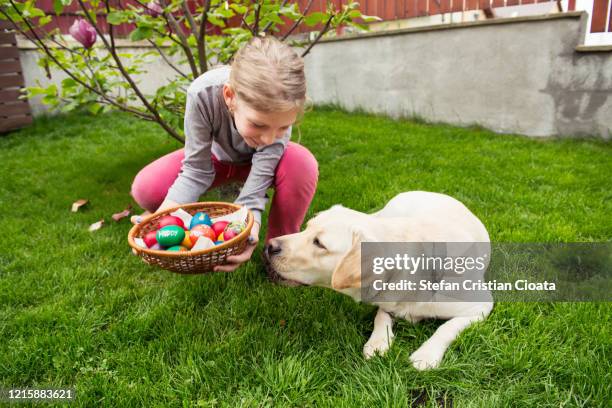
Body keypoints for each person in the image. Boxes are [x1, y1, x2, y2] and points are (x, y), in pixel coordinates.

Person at [130, 36, 318, 277]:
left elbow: (256, 185)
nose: (271, 138)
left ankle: (280, 251)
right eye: (258, 124)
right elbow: (197, 170)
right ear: (230, 97)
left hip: (260, 166)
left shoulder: (280, 108)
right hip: (216, 160)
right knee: (146, 189)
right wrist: (163, 220)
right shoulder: (202, 93)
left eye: (282, 128)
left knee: (302, 165)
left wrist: (247, 233)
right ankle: (162, 212)